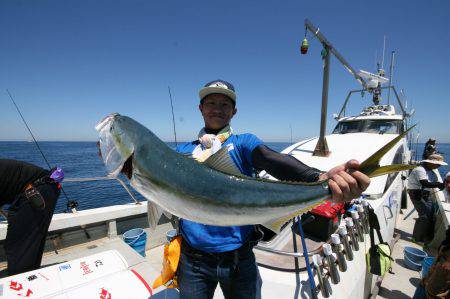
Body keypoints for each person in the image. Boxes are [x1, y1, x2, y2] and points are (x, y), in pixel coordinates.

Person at [175, 79, 371, 299]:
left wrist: (319, 177)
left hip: (238, 259)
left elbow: (272, 160)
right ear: (201, 108)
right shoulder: (183, 151)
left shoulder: (242, 143)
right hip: (193, 261)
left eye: (225, 104)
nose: (217, 109)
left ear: (234, 111)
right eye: (211, 103)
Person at [0, 159, 62, 275]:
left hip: (36, 191)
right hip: (44, 186)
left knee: (19, 247)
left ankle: (23, 283)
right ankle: (29, 275)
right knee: (26, 246)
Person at [407, 154, 447, 243]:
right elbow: (425, 183)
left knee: (431, 214)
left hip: (426, 195)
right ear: (431, 163)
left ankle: (425, 236)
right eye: (438, 164)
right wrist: (438, 185)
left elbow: (436, 182)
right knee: (424, 216)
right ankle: (416, 238)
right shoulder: (420, 169)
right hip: (416, 194)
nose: (439, 166)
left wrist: (442, 184)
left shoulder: (432, 172)